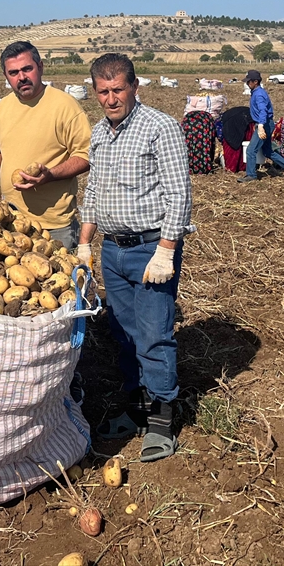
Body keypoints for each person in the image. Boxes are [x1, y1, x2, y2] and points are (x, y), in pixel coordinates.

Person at [77, 54, 192, 461]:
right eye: (103, 92)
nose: (111, 99)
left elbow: (180, 194)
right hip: (113, 249)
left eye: (118, 89)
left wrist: (166, 251)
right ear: (95, 92)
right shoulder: (99, 133)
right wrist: (85, 243)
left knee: (154, 332)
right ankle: (136, 407)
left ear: (134, 86)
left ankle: (162, 417)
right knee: (124, 333)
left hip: (150, 248)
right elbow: (93, 191)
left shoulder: (160, 127)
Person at [0, 41, 90, 250]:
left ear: (40, 67)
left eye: (27, 69)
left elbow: (86, 155)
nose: (21, 77)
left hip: (54, 226)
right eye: (13, 72)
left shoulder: (65, 106)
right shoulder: (1, 108)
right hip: (10, 220)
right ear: (5, 76)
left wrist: (51, 175)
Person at [239, 70, 284, 183]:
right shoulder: (256, 92)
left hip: (265, 124)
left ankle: (251, 175)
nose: (247, 83)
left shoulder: (259, 94)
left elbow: (263, 111)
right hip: (265, 123)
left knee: (251, 150)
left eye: (249, 81)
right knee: (267, 151)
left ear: (255, 82)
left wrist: (261, 126)